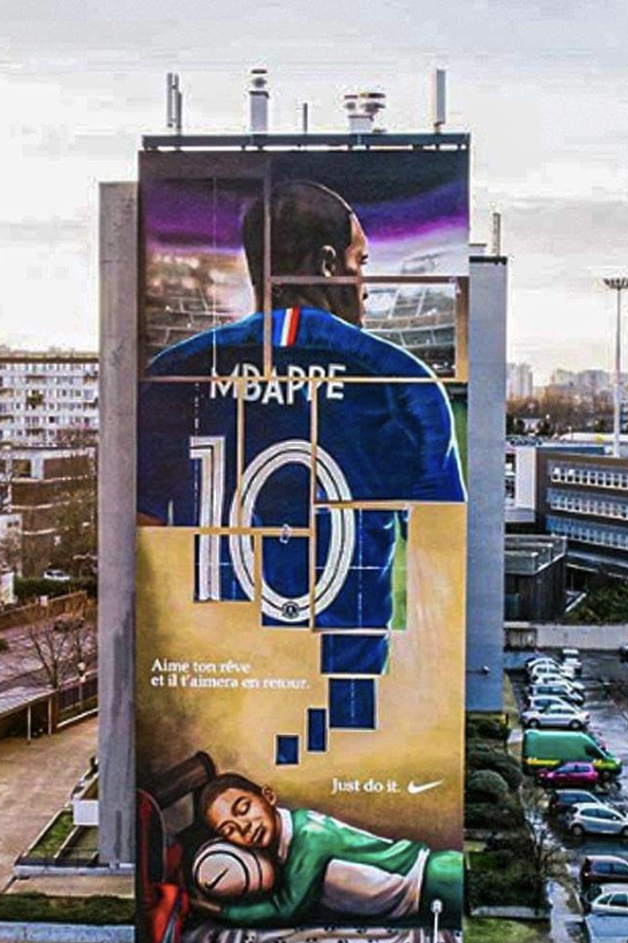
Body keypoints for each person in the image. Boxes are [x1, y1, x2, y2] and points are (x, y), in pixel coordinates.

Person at [138, 181, 464, 636]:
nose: (365, 287)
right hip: (345, 692)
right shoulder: (400, 381)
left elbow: (141, 547)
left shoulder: (175, 371)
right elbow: (443, 562)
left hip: (213, 682)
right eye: (361, 263)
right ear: (328, 264)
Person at [192, 772, 462, 928]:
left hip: (433, 878)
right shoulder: (282, 844)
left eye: (243, 808)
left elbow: (287, 909)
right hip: (423, 891)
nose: (243, 827)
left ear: (268, 796)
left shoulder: (309, 837)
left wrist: (219, 911)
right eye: (228, 830)